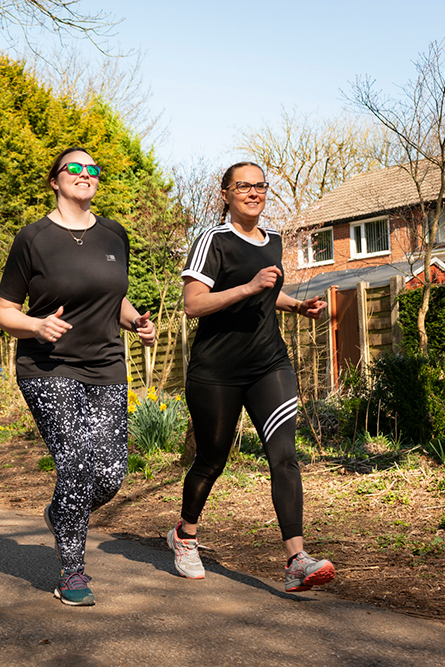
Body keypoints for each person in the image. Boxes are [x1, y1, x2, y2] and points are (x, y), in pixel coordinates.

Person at [0, 147, 156, 606]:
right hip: (48, 366)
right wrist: (36, 325)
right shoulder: (33, 238)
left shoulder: (114, 234)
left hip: (106, 365)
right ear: (55, 180)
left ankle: (60, 512)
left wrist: (135, 323)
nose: (85, 175)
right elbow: (5, 311)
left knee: (110, 474)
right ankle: (72, 571)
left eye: (93, 170)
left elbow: (112, 299)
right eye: (75, 169)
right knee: (76, 464)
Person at [172, 161, 334, 593]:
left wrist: (297, 306)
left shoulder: (274, 239)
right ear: (225, 194)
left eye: (260, 185)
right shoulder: (213, 240)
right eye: (243, 186)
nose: (254, 192)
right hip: (217, 372)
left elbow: (267, 290)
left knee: (283, 457)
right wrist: (248, 286)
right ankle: (185, 536)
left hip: (269, 365)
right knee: (212, 460)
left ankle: (297, 560)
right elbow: (193, 304)